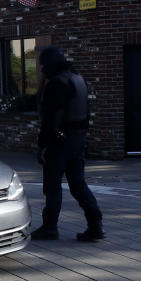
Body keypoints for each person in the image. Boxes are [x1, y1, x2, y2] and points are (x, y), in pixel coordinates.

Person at [31, 46, 104, 242]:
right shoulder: (77, 78)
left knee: (52, 186)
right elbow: (86, 114)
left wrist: (44, 144)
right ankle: (95, 225)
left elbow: (53, 121)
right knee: (78, 185)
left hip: (61, 140)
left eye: (44, 66)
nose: (42, 70)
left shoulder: (58, 84)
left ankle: (49, 227)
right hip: (78, 139)